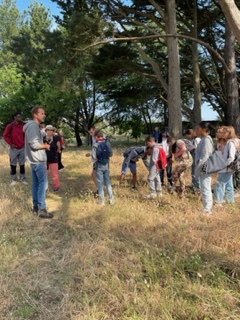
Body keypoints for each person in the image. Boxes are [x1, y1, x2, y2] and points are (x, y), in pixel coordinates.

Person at [24, 105, 53, 219]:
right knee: (43, 184)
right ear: (35, 114)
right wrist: (45, 146)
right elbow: (34, 144)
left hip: (35, 160)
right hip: (38, 160)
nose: (44, 115)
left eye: (44, 113)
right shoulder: (33, 126)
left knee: (36, 184)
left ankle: (36, 206)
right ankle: (42, 208)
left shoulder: (33, 126)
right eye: (42, 113)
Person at [195, 122, 215, 214]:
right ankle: (206, 207)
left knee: (205, 187)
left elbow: (205, 156)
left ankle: (207, 209)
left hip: (205, 167)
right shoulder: (204, 139)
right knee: (204, 187)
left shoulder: (206, 140)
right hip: (204, 167)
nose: (197, 130)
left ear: (204, 130)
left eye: (198, 129)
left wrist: (198, 168)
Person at [3, 112, 28, 186]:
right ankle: (13, 179)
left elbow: (25, 136)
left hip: (22, 148)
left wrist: (24, 144)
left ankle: (23, 178)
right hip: (14, 148)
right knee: (13, 164)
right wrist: (10, 144)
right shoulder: (10, 126)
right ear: (15, 117)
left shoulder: (23, 126)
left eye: (21, 117)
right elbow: (5, 135)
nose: (20, 118)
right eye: (19, 117)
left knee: (22, 164)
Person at [214, 126, 236, 205]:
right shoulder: (228, 143)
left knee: (220, 184)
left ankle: (218, 202)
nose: (222, 133)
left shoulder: (230, 143)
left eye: (225, 132)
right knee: (229, 185)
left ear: (229, 134)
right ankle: (230, 201)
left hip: (226, 168)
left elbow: (231, 157)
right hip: (226, 168)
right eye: (222, 132)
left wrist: (223, 165)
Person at [92, 130, 114, 205]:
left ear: (96, 136)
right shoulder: (107, 143)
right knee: (108, 182)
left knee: (100, 183)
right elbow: (111, 154)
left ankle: (102, 201)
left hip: (99, 165)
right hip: (107, 164)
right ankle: (112, 200)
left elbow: (94, 157)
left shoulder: (95, 144)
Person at [45, 125, 61, 192]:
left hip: (53, 158)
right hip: (44, 159)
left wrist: (54, 153)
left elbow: (58, 148)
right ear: (46, 131)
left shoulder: (56, 138)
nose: (49, 131)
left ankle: (56, 186)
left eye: (51, 130)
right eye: (48, 130)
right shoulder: (43, 138)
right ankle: (45, 187)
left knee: (55, 174)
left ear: (53, 131)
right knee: (44, 174)